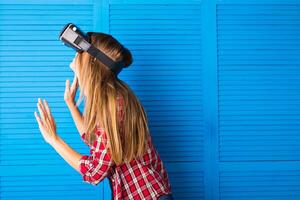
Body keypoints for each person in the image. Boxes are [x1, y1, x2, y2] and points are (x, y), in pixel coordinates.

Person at [34, 32, 174, 200]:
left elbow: (95, 172)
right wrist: (71, 104)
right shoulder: (115, 96)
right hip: (150, 192)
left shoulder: (112, 105)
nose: (75, 56)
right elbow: (95, 141)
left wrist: (54, 140)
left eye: (79, 52)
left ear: (91, 61)